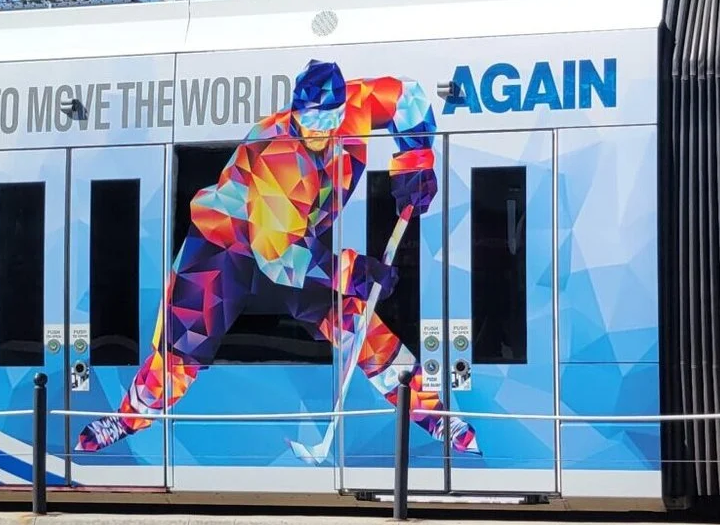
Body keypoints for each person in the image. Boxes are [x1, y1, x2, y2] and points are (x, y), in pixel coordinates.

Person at [75, 60, 477, 457]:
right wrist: (354, 271)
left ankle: (430, 411)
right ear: (296, 113)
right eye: (310, 122)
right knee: (182, 349)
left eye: (328, 119)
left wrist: (415, 160)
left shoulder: (357, 105)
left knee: (356, 321)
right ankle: (130, 416)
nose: (319, 132)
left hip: (295, 236)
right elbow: (277, 258)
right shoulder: (283, 155)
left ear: (342, 107)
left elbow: (407, 95)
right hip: (226, 246)